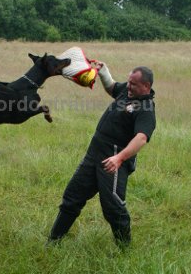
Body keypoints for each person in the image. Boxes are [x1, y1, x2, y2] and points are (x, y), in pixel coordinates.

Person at [48, 62, 156, 247]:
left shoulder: (146, 108)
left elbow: (141, 138)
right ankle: (53, 241)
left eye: (133, 84)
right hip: (94, 155)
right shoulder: (126, 91)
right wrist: (103, 70)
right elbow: (112, 87)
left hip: (112, 161)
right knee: (72, 198)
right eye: (129, 81)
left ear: (146, 87)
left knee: (113, 208)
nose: (128, 86)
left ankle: (124, 250)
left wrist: (119, 158)